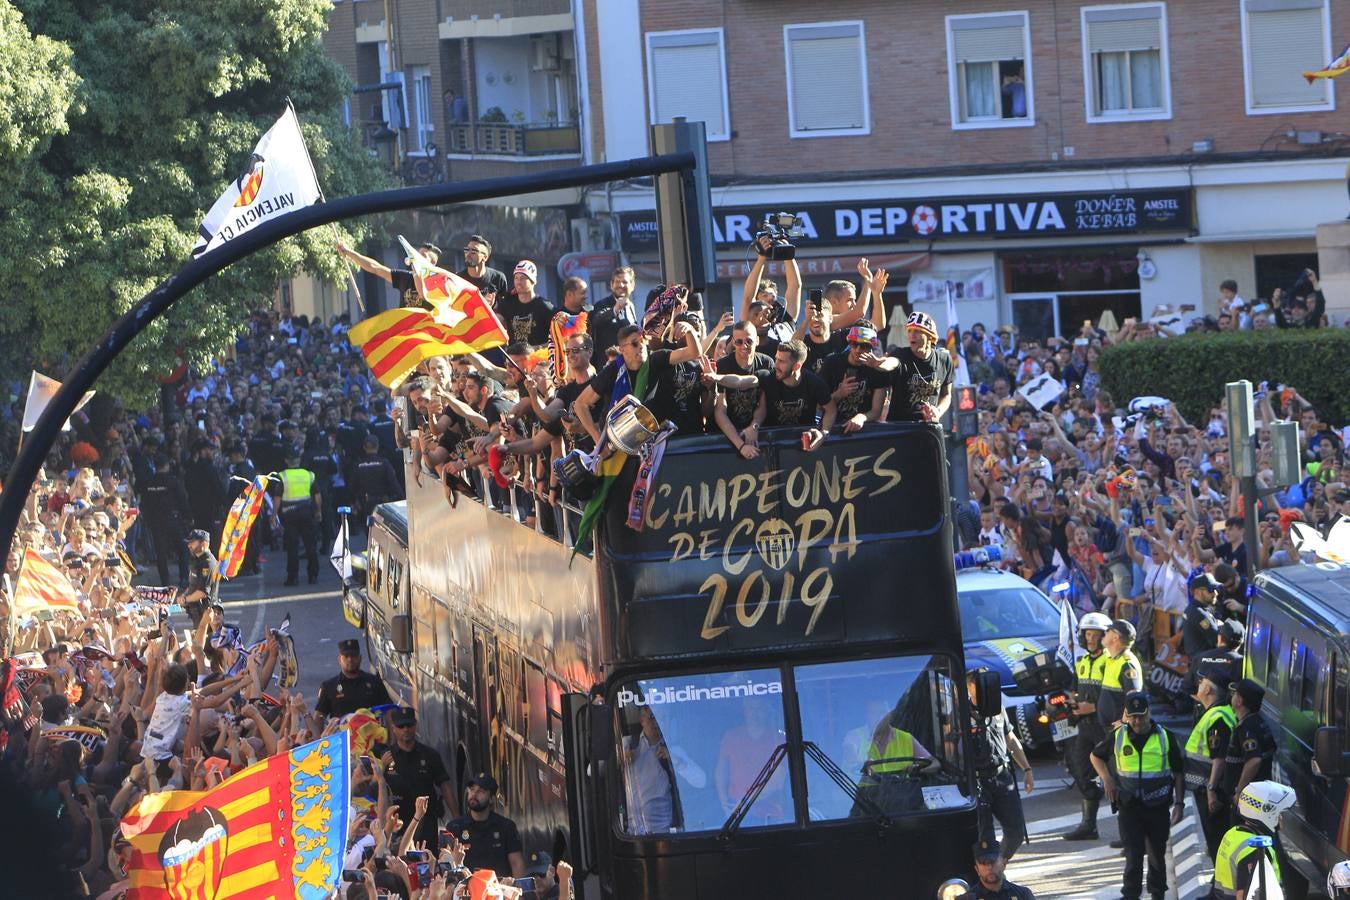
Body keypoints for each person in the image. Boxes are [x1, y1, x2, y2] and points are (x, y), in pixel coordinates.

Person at [1090, 692, 1186, 900]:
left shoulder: (1165, 736)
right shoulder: (1118, 735)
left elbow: (1179, 773)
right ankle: (1131, 895)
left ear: (1149, 713)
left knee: (1156, 856)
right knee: (1133, 856)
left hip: (1158, 806)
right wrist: (1107, 778)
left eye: (1141, 716)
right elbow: (1095, 756)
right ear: (1126, 715)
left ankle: (1157, 894)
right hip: (1128, 806)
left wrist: (1179, 803)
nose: (1137, 721)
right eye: (1132, 716)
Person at [966, 670, 1033, 862]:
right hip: (977, 781)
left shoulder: (998, 708)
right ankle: (989, 873)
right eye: (979, 685)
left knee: (1016, 833)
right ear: (969, 688)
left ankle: (998, 865)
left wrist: (1027, 769)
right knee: (985, 839)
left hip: (1002, 777)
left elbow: (1010, 739)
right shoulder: (959, 712)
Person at [380, 706, 458, 850]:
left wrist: (457, 818)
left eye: (409, 725)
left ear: (415, 726)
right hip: (398, 821)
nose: (405, 729)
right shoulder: (386, 756)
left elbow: (444, 785)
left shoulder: (430, 755)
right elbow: (375, 789)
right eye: (401, 726)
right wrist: (381, 770)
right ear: (393, 728)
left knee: (427, 862)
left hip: (426, 820)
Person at [620, 705, 707, 835]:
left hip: (663, 830)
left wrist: (675, 760)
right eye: (653, 717)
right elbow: (591, 770)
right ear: (641, 720)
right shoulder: (627, 744)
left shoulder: (674, 750)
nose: (658, 722)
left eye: (664, 718)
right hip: (630, 831)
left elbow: (701, 781)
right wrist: (619, 758)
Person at [1064, 611, 1112, 841]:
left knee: (1116, 776)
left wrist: (1090, 708)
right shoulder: (1081, 662)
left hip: (1104, 727)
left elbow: (1112, 696)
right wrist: (1072, 702)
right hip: (1085, 728)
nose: (1091, 639)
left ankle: (1126, 829)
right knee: (1082, 772)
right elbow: (1075, 689)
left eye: (1095, 634)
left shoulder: (1110, 662)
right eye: (1087, 634)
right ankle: (1088, 825)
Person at [1210, 780, 1295, 900]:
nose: (1283, 819)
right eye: (1281, 814)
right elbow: (1245, 894)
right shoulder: (1256, 849)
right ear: (1269, 813)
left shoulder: (1234, 833)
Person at [1185, 673, 1235, 859]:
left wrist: (1211, 789)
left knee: (1217, 841)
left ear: (1208, 689)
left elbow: (1219, 758)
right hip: (1206, 787)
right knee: (1215, 839)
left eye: (1202, 681)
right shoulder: (1214, 713)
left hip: (1212, 790)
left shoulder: (1217, 718)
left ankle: (1220, 886)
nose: (1198, 684)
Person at [754, 339, 835, 449]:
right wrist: (753, 427)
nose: (775, 365)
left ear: (797, 366)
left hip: (804, 442)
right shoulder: (767, 379)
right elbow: (761, 410)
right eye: (776, 359)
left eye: (781, 361)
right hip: (773, 442)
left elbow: (831, 410)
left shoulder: (815, 383)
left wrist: (823, 433)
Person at [443, 773, 525, 878]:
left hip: (498, 890)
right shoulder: (455, 827)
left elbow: (516, 863)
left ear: (491, 799)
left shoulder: (506, 827)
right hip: (464, 890)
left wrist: (519, 891)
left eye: (481, 791)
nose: (474, 794)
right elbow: (445, 863)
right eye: (472, 789)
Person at [1223, 679, 1276, 825]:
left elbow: (1254, 760)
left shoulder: (1247, 727)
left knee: (1245, 836)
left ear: (1239, 700)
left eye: (1234, 694)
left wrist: (1240, 792)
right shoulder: (1259, 722)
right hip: (1260, 793)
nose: (1231, 697)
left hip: (1250, 798)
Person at [820, 323, 890, 433]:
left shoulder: (877, 370)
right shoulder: (831, 363)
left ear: (871, 346)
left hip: (863, 432)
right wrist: (839, 393)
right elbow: (819, 405)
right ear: (849, 342)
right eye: (854, 344)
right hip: (832, 429)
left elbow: (876, 411)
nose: (858, 350)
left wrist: (861, 417)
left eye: (864, 346)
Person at [335, 237, 441, 309]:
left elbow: (422, 293)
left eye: (423, 256)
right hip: (405, 335)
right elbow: (376, 268)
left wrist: (416, 271)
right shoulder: (406, 278)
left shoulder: (439, 285)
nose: (417, 257)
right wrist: (348, 252)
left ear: (433, 263)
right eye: (417, 254)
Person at [887, 311, 954, 423]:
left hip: (929, 429)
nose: (912, 335)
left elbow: (947, 395)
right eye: (909, 331)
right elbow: (890, 363)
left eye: (917, 331)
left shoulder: (944, 359)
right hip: (900, 429)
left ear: (930, 337)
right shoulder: (899, 355)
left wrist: (937, 411)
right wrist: (880, 363)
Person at [314, 639, 393, 720]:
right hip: (341, 731)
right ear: (339, 660)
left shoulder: (374, 682)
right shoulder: (329, 686)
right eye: (346, 656)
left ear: (360, 658)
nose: (350, 659)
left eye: (354, 656)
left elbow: (389, 710)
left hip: (370, 731)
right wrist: (317, 732)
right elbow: (319, 716)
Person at [277, 446, 321, 586]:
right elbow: (317, 495)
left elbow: (277, 498)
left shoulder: (282, 476)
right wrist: (319, 511)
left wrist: (273, 516)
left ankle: (293, 577)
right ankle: (313, 575)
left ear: (286, 461)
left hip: (289, 515)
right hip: (307, 513)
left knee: (292, 547)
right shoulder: (309, 475)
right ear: (299, 460)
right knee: (310, 545)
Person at [495, 261, 554, 346]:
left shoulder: (545, 307)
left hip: (537, 357)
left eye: (523, 278)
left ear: (533, 281)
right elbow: (496, 323)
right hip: (513, 357)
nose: (518, 282)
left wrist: (537, 349)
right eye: (516, 278)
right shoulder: (507, 303)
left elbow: (558, 338)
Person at [590, 267, 640, 355]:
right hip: (609, 362)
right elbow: (596, 320)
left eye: (624, 282)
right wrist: (614, 310)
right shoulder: (602, 304)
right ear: (612, 285)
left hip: (629, 359)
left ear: (632, 286)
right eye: (617, 282)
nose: (621, 285)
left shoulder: (630, 306)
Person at [970, 837, 1037, 899]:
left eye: (993, 862)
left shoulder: (1023, 895)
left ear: (1004, 863)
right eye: (983, 863)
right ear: (977, 869)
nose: (989, 867)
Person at [180, 529, 217, 627]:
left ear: (203, 544)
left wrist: (185, 599)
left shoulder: (208, 563)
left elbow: (203, 592)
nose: (189, 546)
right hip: (196, 612)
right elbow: (193, 585)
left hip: (206, 613)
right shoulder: (196, 560)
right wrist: (184, 595)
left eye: (192, 543)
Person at [1182, 571, 1223, 659]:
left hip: (1199, 664)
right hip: (1204, 666)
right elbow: (1218, 639)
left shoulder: (1193, 609)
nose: (1215, 593)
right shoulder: (1198, 613)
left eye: (1216, 588)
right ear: (1197, 592)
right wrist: (1222, 626)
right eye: (1211, 589)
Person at [456, 234, 509, 300]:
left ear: (485, 257)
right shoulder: (458, 279)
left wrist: (493, 305)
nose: (468, 254)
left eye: (474, 251)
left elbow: (504, 306)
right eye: (467, 250)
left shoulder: (498, 278)